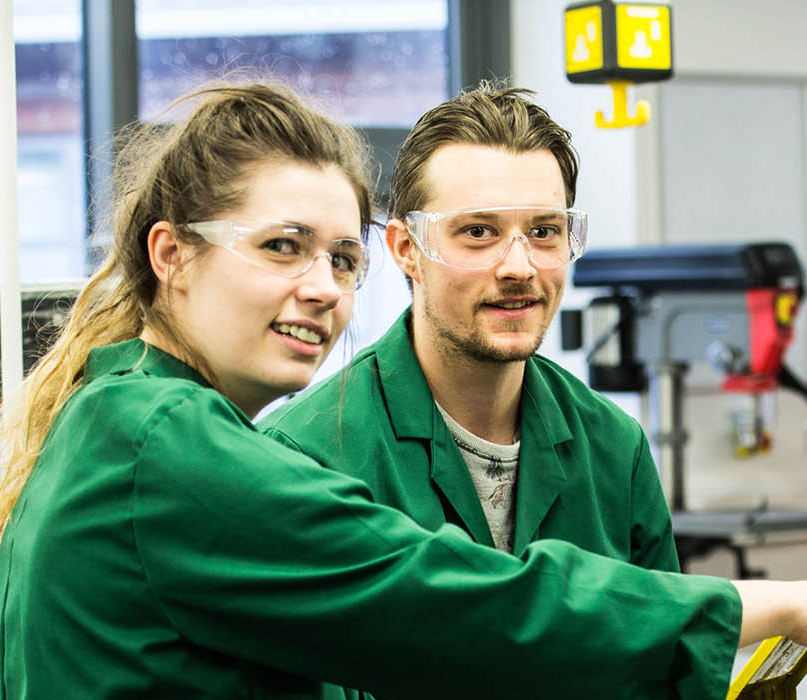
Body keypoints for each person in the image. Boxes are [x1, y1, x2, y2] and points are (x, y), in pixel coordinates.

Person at [0, 83, 807, 700]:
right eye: (281, 246)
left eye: (339, 256)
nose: (322, 287)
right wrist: (762, 606)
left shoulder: (126, 418)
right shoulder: (176, 443)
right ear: (173, 255)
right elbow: (448, 602)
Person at [261, 85, 675, 574]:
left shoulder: (611, 444)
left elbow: (665, 639)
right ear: (405, 248)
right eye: (479, 232)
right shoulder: (307, 456)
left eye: (544, 232)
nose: (519, 267)